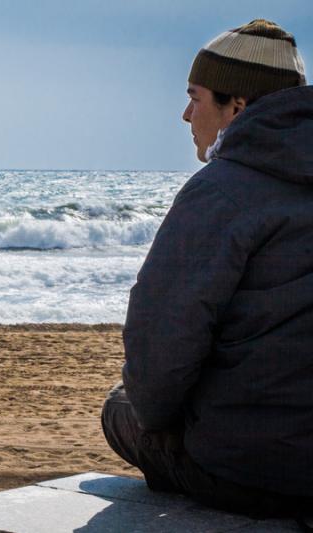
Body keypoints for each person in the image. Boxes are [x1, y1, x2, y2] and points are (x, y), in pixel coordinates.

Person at [101, 19, 313, 522]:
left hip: (253, 472)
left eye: (195, 97)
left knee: (120, 407)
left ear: (236, 107)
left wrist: (159, 417)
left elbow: (162, 342)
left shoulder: (221, 191)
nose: (185, 114)